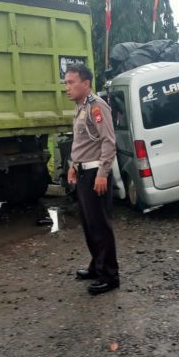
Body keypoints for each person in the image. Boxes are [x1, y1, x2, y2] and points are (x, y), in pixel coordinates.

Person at [65, 64, 120, 295]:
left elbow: (108, 142)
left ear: (86, 84)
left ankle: (110, 275)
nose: (67, 87)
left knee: (100, 225)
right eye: (66, 82)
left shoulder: (97, 106)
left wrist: (102, 174)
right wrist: (72, 166)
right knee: (89, 224)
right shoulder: (81, 107)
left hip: (95, 174)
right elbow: (83, 143)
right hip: (83, 172)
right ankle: (96, 266)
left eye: (71, 82)